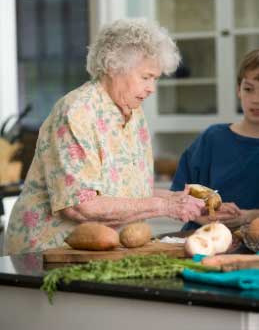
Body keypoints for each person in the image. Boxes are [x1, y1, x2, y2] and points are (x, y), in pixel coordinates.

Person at [5, 18, 205, 255]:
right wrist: (165, 205)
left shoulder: (133, 112)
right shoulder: (77, 112)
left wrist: (181, 199)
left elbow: (128, 193)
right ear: (114, 67)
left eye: (156, 78)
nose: (152, 88)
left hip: (103, 249)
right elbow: (80, 206)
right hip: (48, 252)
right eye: (146, 77)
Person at [171, 48, 259, 231]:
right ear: (238, 90)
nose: (256, 99)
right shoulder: (213, 138)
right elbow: (178, 195)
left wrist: (250, 216)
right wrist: (204, 216)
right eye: (249, 89)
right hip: (202, 241)